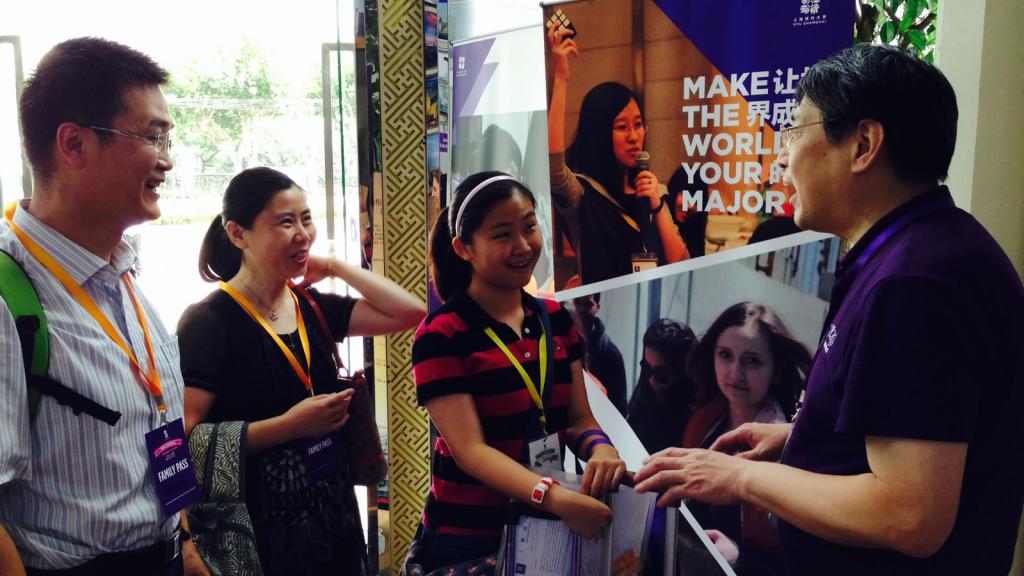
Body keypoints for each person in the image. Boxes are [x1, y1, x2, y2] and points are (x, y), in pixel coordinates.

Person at [635, 45, 1024, 576]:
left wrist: (739, 478)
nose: (782, 155)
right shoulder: (916, 250)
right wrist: (805, 438)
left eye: (795, 132)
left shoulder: (916, 280)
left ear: (864, 144)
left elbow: (910, 514)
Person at [0, 37, 195, 574]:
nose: (167, 161)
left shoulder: (121, 268)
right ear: (74, 144)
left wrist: (184, 542)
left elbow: (149, 432)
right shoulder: (8, 291)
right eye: (153, 137)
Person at [177, 167, 425, 575]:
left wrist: (334, 267)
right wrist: (288, 427)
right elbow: (185, 441)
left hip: (333, 517)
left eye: (306, 218)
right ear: (239, 234)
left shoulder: (310, 306)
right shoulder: (209, 322)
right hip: (257, 534)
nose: (303, 233)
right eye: (285, 222)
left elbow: (410, 311)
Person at [407, 171, 627, 573]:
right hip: (467, 539)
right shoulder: (441, 335)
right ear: (463, 248)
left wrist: (601, 448)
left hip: (543, 529)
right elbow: (470, 451)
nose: (523, 245)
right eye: (502, 234)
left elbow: (578, 418)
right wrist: (552, 496)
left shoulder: (557, 319)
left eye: (529, 226)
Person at [547, 25, 688, 286]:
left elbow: (681, 262)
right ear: (600, 133)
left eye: (638, 124)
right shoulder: (584, 194)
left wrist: (657, 205)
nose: (634, 136)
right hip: (605, 313)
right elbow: (555, 169)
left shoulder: (654, 190)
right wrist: (561, 78)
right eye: (622, 127)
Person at [681, 303, 811, 575]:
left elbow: (798, 560)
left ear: (776, 370)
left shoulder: (790, 454)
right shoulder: (701, 422)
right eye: (725, 355)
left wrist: (742, 557)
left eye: (751, 360)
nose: (735, 373)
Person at [625, 319, 700, 455]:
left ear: (683, 371)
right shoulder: (644, 394)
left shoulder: (698, 415)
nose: (652, 380)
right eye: (646, 369)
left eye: (662, 374)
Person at [570, 293, 628, 415]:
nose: (581, 309)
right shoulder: (565, 343)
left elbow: (620, 408)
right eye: (578, 302)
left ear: (598, 307)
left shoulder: (612, 354)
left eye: (588, 304)